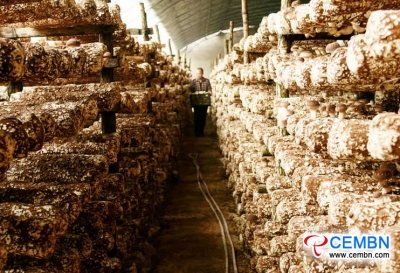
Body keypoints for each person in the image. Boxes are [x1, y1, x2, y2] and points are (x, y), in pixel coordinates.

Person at [190, 67, 212, 137]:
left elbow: (209, 89)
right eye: (197, 73)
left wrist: (209, 92)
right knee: (196, 117)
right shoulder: (193, 81)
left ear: (202, 73)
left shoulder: (207, 81)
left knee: (203, 118)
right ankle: (196, 132)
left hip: (204, 103)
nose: (198, 75)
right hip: (196, 103)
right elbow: (191, 91)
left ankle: (201, 132)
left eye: (199, 73)